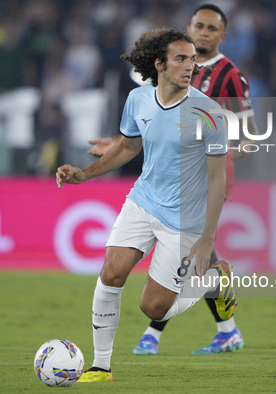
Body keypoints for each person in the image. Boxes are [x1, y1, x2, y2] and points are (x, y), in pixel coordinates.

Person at [56, 27, 235, 383]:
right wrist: (84, 174)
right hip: (143, 200)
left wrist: (207, 239)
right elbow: (127, 147)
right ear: (160, 64)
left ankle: (215, 279)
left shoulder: (210, 114)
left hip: (184, 219)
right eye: (181, 59)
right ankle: (101, 367)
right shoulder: (138, 100)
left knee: (153, 307)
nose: (190, 67)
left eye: (193, 60)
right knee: (112, 273)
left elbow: (219, 179)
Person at [88, 4, 257, 355]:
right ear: (189, 28)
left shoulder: (228, 75)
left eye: (212, 28)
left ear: (222, 36)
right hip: (162, 178)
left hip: (206, 173)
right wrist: (120, 145)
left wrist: (219, 145)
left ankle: (158, 331)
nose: (204, 32)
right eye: (199, 25)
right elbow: (143, 134)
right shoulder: (169, 71)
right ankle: (224, 328)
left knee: (195, 250)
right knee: (190, 263)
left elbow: (249, 137)